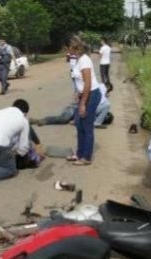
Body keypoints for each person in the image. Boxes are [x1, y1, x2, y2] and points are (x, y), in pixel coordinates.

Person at [66, 36, 101, 166]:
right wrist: (77, 93)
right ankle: (79, 153)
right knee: (78, 124)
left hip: (91, 94)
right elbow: (79, 81)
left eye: (68, 48)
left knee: (87, 126)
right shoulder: (78, 59)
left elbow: (88, 83)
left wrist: (82, 104)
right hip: (84, 94)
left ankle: (86, 157)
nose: (67, 51)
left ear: (74, 47)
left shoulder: (84, 60)